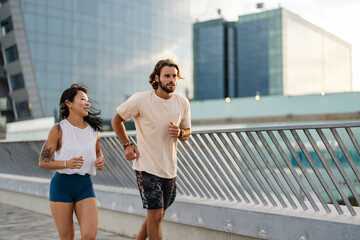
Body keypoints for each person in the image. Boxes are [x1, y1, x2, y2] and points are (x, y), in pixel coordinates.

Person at [112, 59, 191, 240]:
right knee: (155, 216)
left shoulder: (183, 102)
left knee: (157, 215)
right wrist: (127, 144)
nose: (171, 80)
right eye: (167, 76)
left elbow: (187, 132)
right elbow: (117, 120)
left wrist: (179, 133)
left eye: (174, 76)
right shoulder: (141, 99)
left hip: (170, 169)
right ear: (157, 78)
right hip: (146, 167)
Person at [39, 84, 105, 240]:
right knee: (67, 237)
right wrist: (66, 164)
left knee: (89, 235)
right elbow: (43, 161)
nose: (87, 103)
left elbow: (98, 152)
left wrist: (101, 160)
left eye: (88, 100)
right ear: (69, 103)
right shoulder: (58, 129)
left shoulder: (94, 130)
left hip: (85, 186)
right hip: (62, 186)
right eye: (82, 99)